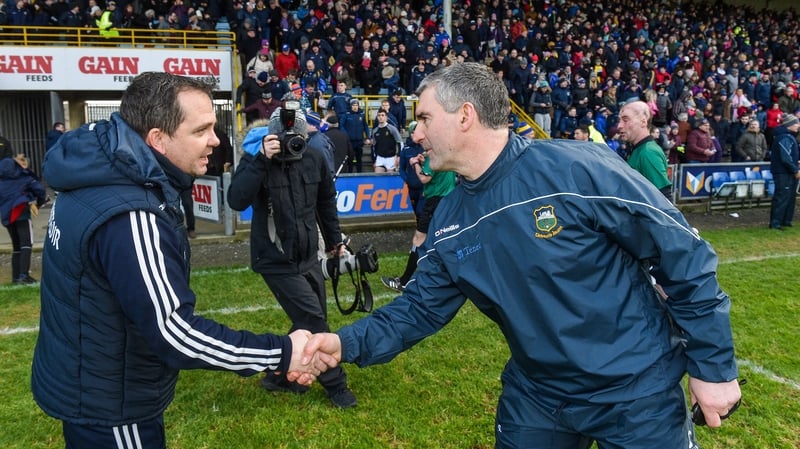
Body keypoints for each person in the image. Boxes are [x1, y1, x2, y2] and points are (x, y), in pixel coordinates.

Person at [303, 62, 742, 449]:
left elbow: (683, 254)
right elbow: (417, 309)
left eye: (423, 118)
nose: (414, 132)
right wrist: (344, 343)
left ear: (465, 117)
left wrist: (715, 367)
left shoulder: (575, 168)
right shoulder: (450, 217)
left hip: (635, 389)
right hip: (538, 396)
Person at [31, 72, 327, 448]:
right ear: (158, 139)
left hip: (85, 383)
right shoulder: (130, 214)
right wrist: (283, 352)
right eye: (201, 130)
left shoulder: (97, 172)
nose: (215, 141)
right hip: (112, 405)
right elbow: (174, 332)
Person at [227, 106, 357, 409]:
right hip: (275, 260)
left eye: (297, 138)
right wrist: (260, 157)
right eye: (286, 138)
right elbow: (236, 199)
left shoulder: (313, 158)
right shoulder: (258, 159)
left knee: (308, 321)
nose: (292, 144)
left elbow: (326, 203)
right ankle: (336, 386)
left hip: (309, 256)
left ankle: (281, 377)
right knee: (314, 318)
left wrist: (335, 242)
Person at [381, 136, 456, 292]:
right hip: (448, 200)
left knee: (419, 239)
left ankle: (404, 281)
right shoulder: (446, 152)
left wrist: (415, 163)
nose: (422, 144)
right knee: (443, 239)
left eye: (424, 142)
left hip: (434, 201)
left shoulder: (433, 155)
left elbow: (423, 178)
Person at [0, 153, 48, 284]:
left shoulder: (2, 182)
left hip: (7, 216)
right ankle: (24, 276)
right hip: (21, 213)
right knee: (26, 244)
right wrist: (39, 202)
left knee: (16, 247)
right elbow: (40, 190)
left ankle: (15, 277)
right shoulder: (24, 178)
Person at [616, 101, 673, 198]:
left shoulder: (648, 152)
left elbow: (663, 198)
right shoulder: (638, 149)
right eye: (619, 120)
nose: (619, 126)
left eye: (625, 120)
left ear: (643, 122)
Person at [768, 114, 800, 230]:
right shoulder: (784, 137)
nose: (798, 125)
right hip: (782, 172)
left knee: (790, 196)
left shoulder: (789, 137)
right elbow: (785, 157)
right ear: (789, 125)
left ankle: (786, 220)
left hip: (788, 172)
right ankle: (775, 222)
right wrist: (795, 170)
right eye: (796, 123)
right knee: (782, 196)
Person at [341, 98, 371, 173]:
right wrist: (346, 136)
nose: (355, 107)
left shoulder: (362, 114)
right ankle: (349, 174)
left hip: (359, 141)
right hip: (350, 142)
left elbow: (366, 127)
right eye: (353, 105)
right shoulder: (346, 114)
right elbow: (341, 126)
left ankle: (359, 173)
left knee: (359, 159)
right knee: (350, 159)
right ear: (351, 106)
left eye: (356, 105)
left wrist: (368, 137)